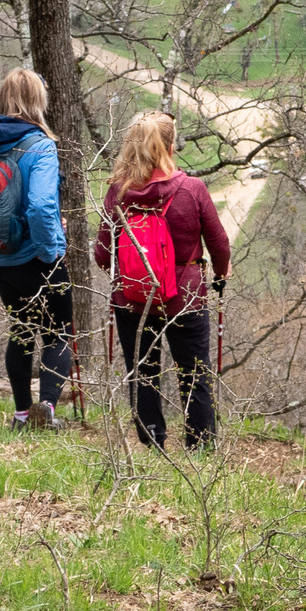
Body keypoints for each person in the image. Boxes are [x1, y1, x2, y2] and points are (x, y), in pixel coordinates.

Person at [92, 111, 231, 450]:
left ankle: (152, 439)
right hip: (184, 295)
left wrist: (127, 272)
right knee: (194, 373)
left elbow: (101, 253)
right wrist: (222, 271)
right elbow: (219, 243)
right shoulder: (192, 190)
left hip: (132, 298)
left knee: (142, 372)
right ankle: (200, 445)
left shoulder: (117, 192)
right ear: (170, 146)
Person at [0, 69, 72, 430]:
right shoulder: (40, 146)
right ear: (36, 100)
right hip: (35, 256)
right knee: (59, 332)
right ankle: (47, 408)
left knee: (22, 330)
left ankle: (21, 415)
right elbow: (42, 206)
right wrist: (51, 253)